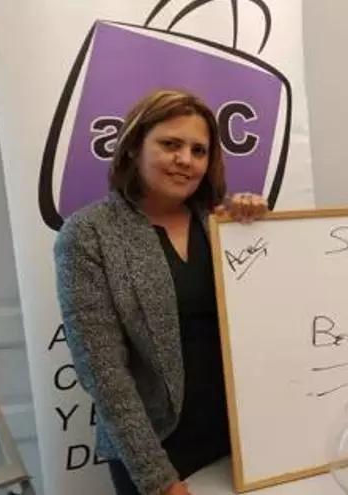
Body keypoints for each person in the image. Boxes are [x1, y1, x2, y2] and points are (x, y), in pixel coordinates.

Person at [53, 89, 269, 495]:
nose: (186, 159)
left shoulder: (221, 224)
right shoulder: (88, 234)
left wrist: (261, 226)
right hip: (154, 448)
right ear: (134, 147)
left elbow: (270, 317)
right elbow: (103, 373)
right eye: (170, 144)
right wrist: (158, 479)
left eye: (199, 150)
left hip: (238, 436)